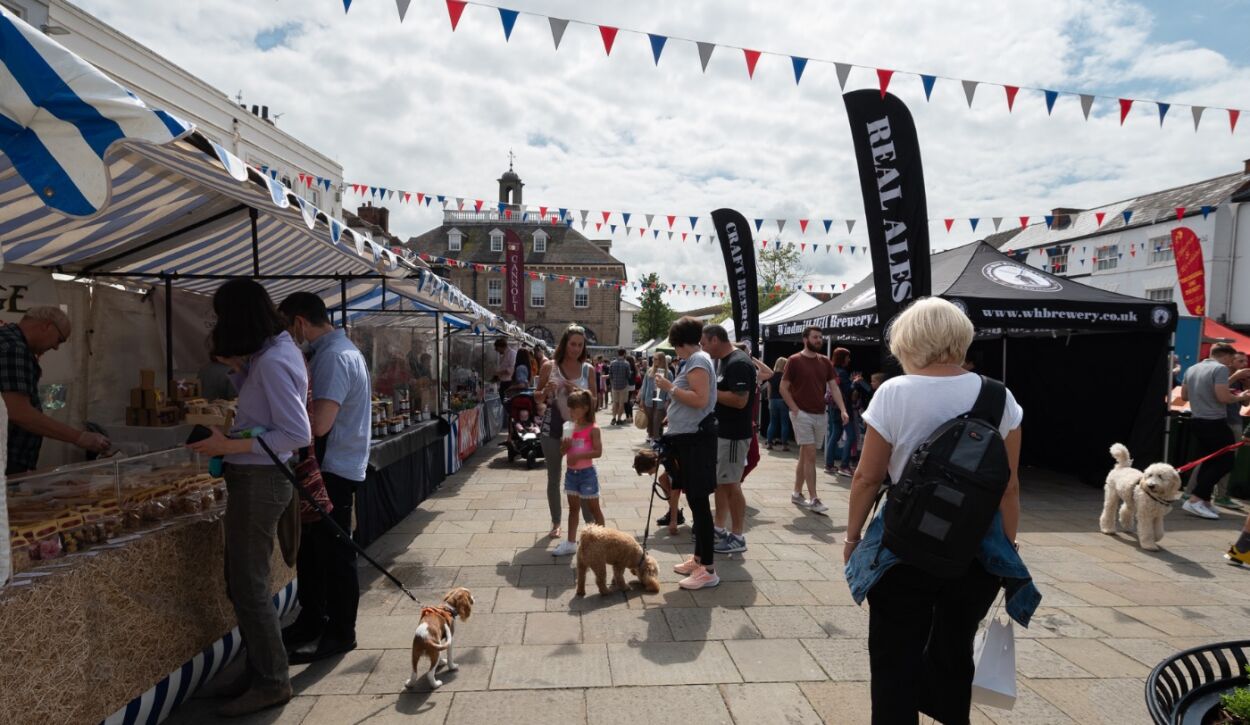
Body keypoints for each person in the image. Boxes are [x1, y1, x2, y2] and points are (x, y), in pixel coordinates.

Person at [842, 297, 1037, 724]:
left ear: (908, 341)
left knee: (894, 660)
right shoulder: (999, 396)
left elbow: (867, 478)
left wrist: (852, 537)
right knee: (954, 653)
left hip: (903, 548)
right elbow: (1009, 488)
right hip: (974, 550)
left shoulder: (894, 392)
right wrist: (1008, 542)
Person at [187, 279, 311, 717]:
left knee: (249, 584)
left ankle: (272, 679)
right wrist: (237, 368)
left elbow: (295, 434)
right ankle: (260, 667)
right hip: (254, 478)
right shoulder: (268, 353)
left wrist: (228, 446)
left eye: (222, 316)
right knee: (241, 580)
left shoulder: (275, 358)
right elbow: (262, 412)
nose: (218, 325)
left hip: (261, 481)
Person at [277, 292, 371, 665]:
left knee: (335, 554)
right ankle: (313, 620)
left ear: (300, 322)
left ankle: (340, 633)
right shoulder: (342, 350)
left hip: (333, 468)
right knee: (314, 553)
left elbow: (319, 424)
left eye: (288, 326)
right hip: (338, 465)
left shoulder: (332, 357)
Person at [0, 307, 110, 476]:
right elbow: (18, 412)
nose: (56, 347)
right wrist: (79, 437)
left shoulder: (7, 340)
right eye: (59, 340)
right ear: (47, 326)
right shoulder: (15, 349)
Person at [654, 316, 719, 589]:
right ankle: (699, 558)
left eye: (676, 346)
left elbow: (700, 399)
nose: (675, 351)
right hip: (688, 438)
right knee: (695, 501)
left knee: (700, 503)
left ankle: (708, 569)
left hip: (696, 441)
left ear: (682, 343)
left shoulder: (697, 361)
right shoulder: (695, 360)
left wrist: (670, 388)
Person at [536, 326, 596, 547]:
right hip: (551, 430)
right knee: (554, 477)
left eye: (580, 345)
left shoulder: (587, 369)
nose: (576, 349)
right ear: (564, 344)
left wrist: (578, 394)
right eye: (573, 344)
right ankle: (556, 522)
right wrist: (543, 392)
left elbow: (595, 402)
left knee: (582, 477)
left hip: (579, 433)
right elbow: (536, 398)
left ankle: (590, 525)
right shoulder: (548, 367)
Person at [697, 325, 754, 556]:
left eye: (703, 343)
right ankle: (719, 528)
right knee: (721, 483)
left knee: (731, 484)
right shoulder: (724, 361)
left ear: (714, 340)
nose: (702, 347)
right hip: (723, 433)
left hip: (733, 435)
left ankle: (738, 536)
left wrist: (709, 392)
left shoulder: (738, 362)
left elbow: (740, 400)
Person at [780, 327, 848, 515]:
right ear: (805, 339)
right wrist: (795, 409)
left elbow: (834, 388)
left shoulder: (825, 362)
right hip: (802, 414)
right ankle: (814, 498)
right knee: (810, 454)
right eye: (815, 337)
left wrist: (843, 409)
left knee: (805, 454)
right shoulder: (794, 360)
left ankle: (796, 493)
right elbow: (783, 388)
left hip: (820, 414)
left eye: (820, 337)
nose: (819, 340)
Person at [1180, 344, 1250, 519]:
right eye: (1232, 359)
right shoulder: (1219, 369)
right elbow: (1223, 398)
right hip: (1214, 422)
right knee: (1226, 462)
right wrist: (1241, 397)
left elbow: (1185, 396)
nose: (1231, 363)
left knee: (1210, 460)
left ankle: (1203, 501)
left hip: (1197, 420)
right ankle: (1195, 499)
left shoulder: (1192, 368)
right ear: (1226, 357)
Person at [558, 389, 605, 554]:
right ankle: (571, 543)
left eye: (574, 408)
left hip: (587, 473)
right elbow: (562, 451)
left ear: (585, 408)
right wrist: (565, 445)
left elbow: (598, 452)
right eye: (569, 408)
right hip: (571, 474)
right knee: (573, 509)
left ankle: (601, 541)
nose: (570, 412)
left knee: (594, 508)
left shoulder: (593, 429)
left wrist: (578, 456)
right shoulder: (568, 426)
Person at [824, 347, 856, 476]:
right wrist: (855, 382)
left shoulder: (831, 371)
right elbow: (848, 391)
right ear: (843, 358)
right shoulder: (842, 373)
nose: (849, 359)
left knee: (835, 435)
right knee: (851, 436)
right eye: (847, 357)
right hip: (843, 409)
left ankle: (829, 464)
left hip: (833, 408)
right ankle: (844, 466)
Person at [640, 351, 670, 442]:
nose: (653, 360)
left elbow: (670, 387)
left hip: (661, 397)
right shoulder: (650, 370)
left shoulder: (668, 373)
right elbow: (644, 386)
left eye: (656, 359)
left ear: (661, 360)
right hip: (649, 397)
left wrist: (667, 400)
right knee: (649, 418)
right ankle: (650, 435)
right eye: (653, 358)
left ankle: (656, 437)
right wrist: (642, 399)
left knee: (657, 419)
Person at [765, 357, 791, 451]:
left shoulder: (771, 376)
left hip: (773, 400)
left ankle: (769, 443)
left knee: (772, 422)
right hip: (783, 401)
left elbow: (769, 390)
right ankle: (784, 445)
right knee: (784, 423)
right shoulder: (786, 376)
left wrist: (769, 401)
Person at [609, 348, 631, 425]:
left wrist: (613, 382)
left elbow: (610, 375)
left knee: (615, 403)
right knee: (621, 403)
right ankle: (619, 419)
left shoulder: (612, 363)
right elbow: (628, 375)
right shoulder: (626, 363)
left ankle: (613, 418)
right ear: (624, 354)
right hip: (623, 385)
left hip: (614, 385)